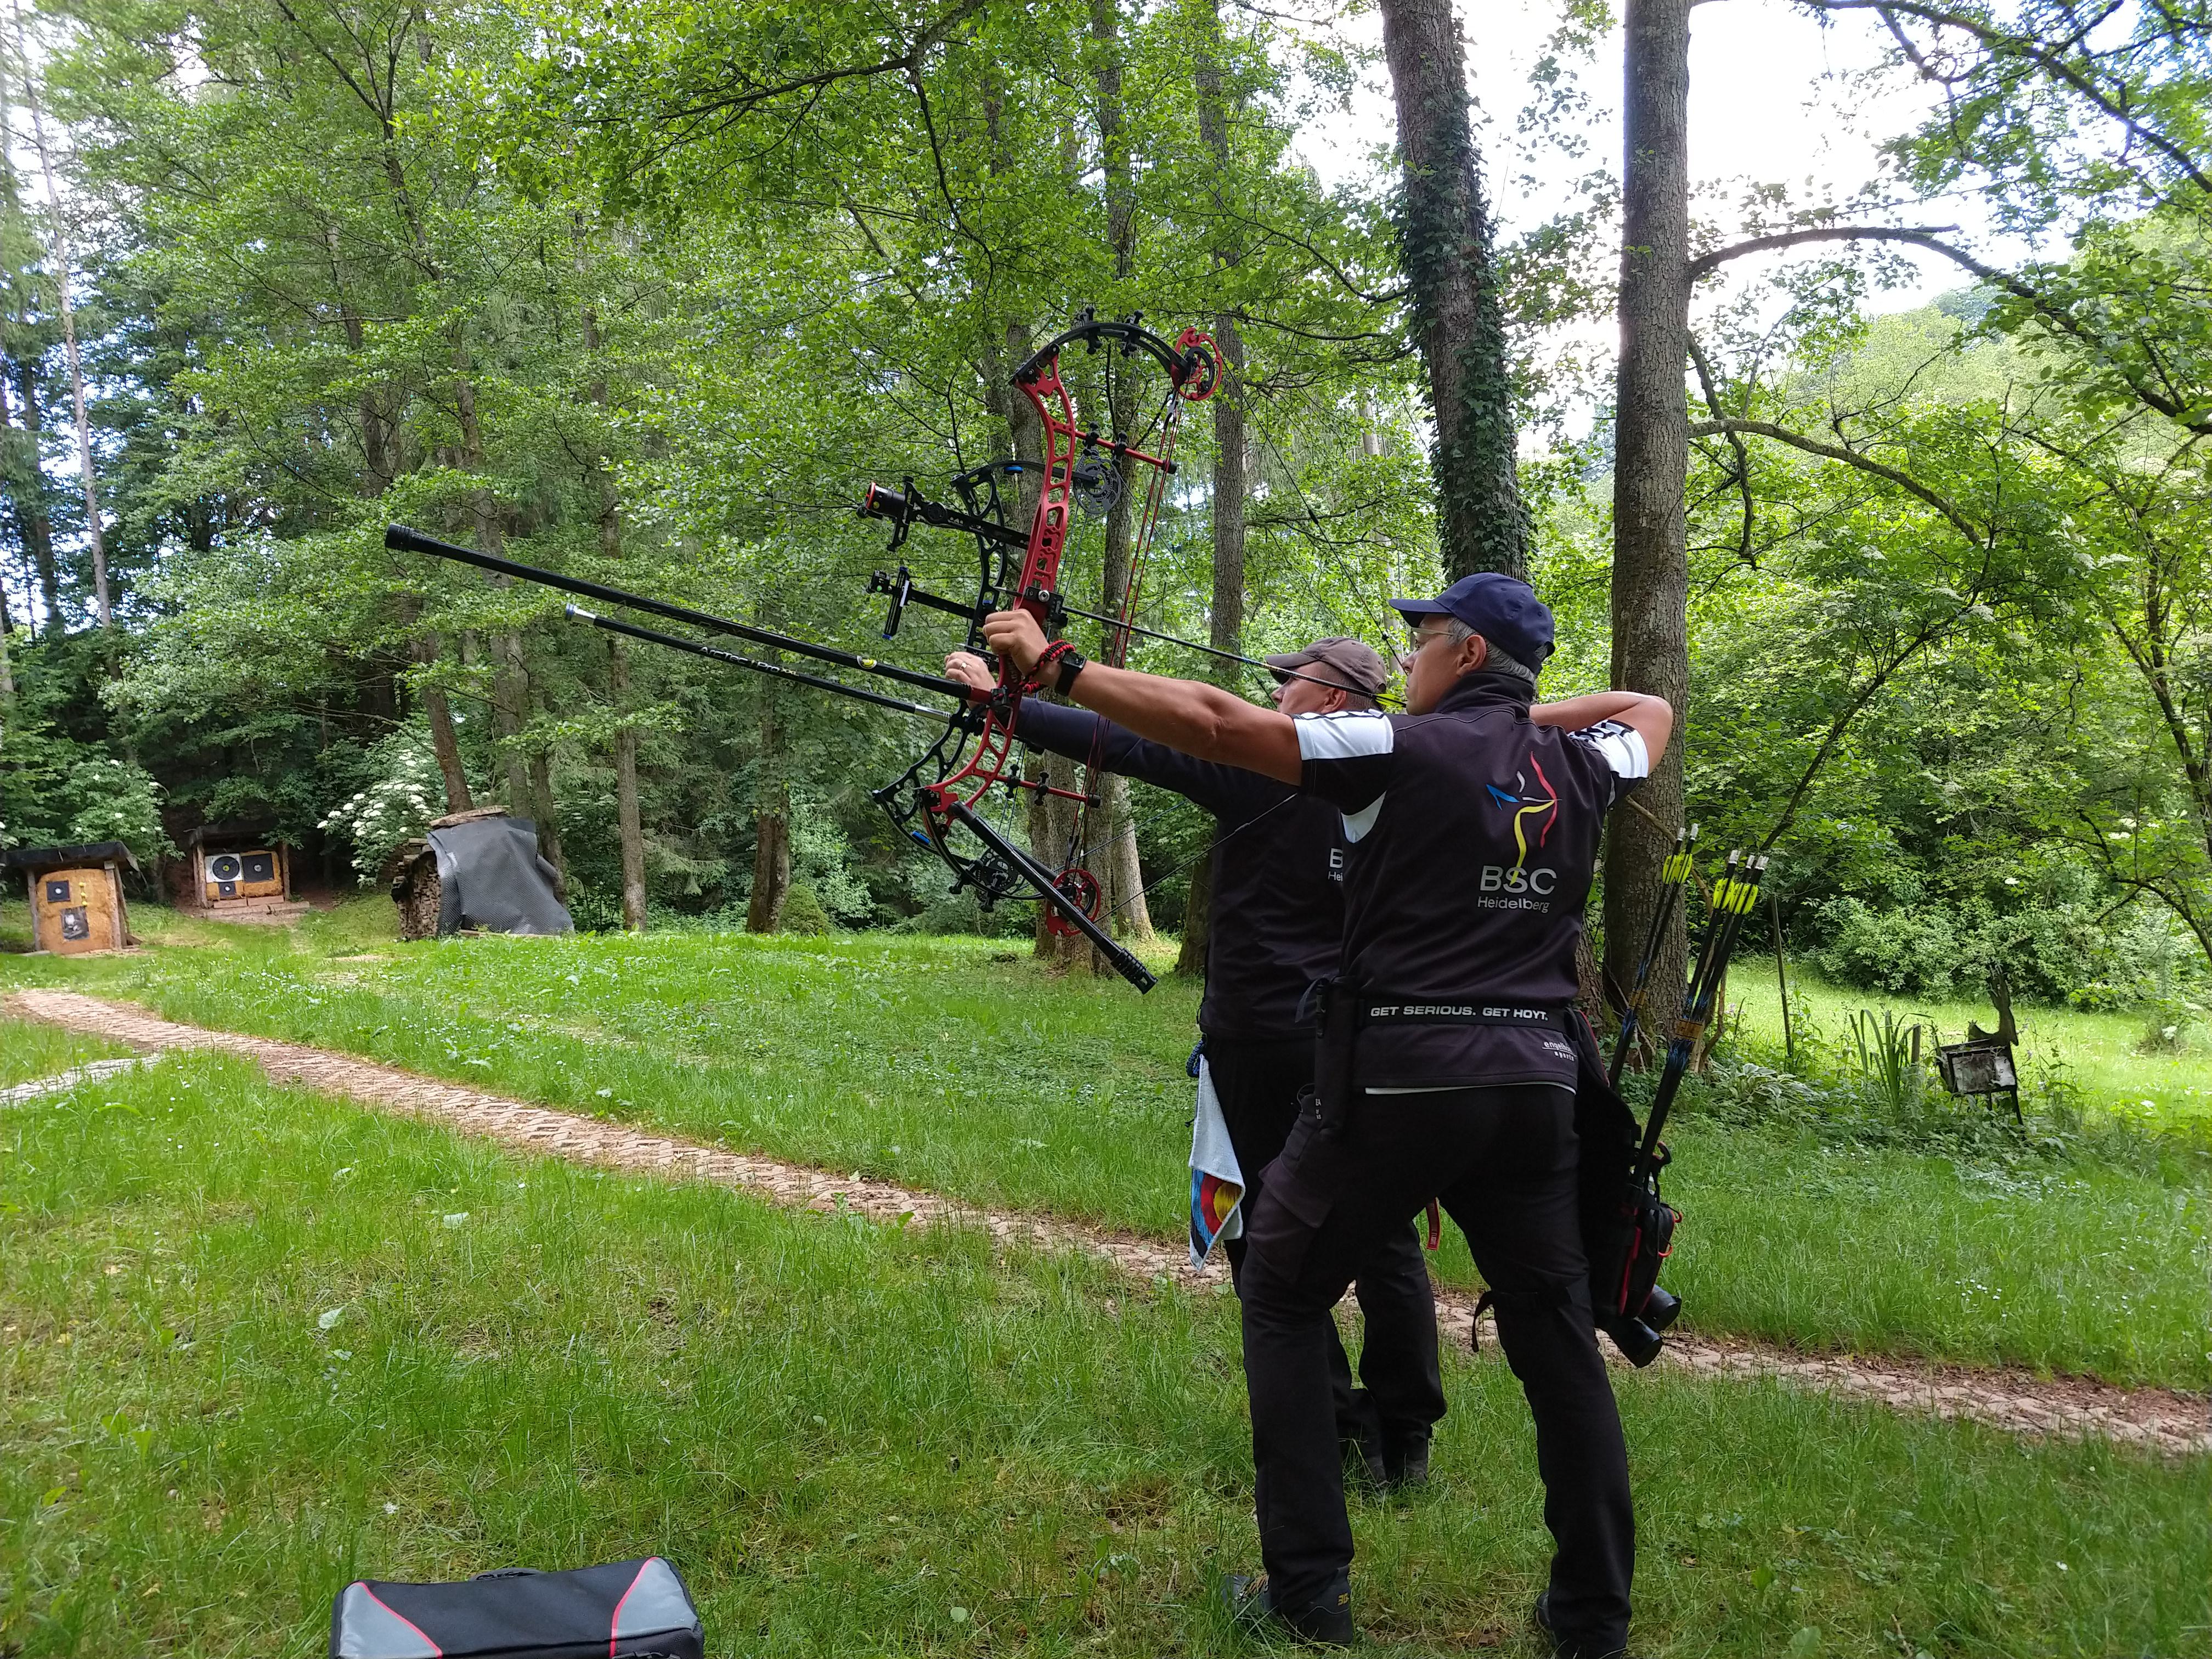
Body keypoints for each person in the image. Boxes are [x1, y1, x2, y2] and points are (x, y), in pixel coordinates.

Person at [979, 574, 1672, 1656]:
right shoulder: (1586, 764)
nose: (1409, 662)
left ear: (1469, 654)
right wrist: (1510, 717)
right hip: (1537, 1082)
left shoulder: (1394, 749)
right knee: (1556, 1337)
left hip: (1402, 1075)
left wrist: (1057, 667)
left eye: (1426, 641)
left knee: (1281, 1291)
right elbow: (1648, 709)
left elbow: (1217, 726)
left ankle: (1307, 1593)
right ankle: (1593, 1622)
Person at [943, 635, 1444, 1489]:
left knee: (1262, 1235)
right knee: (1382, 1236)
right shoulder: (1416, 772)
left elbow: (1128, 741)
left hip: (1266, 1039)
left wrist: (1005, 703)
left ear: (1332, 697)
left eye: (1289, 682)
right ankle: (1405, 1442)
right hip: (1372, 1038)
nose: (1275, 695)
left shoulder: (1270, 763)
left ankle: (1332, 1424)